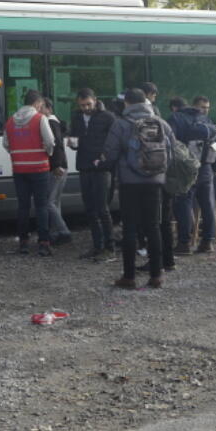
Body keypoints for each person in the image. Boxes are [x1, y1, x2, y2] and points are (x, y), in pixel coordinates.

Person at [101, 87, 171, 289]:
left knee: (130, 228)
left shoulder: (120, 124)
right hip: (155, 182)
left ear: (127, 103)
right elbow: (172, 152)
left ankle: (129, 277)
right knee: (153, 226)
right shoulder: (161, 123)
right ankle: (156, 275)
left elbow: (111, 153)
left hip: (129, 183)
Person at [3, 89, 56, 256]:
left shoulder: (11, 121)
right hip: (39, 168)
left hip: (19, 169)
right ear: (38, 103)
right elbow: (50, 141)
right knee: (41, 206)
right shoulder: (40, 119)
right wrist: (46, 152)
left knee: (23, 207)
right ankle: (43, 243)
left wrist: (18, 153)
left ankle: (23, 243)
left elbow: (6, 144)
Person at [69, 88, 117, 260]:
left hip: (101, 168)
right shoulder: (76, 117)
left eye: (88, 104)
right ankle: (97, 245)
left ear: (95, 100)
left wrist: (105, 159)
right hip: (84, 166)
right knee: (90, 209)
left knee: (102, 208)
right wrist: (72, 143)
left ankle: (110, 247)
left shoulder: (108, 117)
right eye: (82, 105)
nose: (86, 108)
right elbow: (74, 137)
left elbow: (114, 142)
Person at [169, 96, 216, 255]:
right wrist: (214, 168)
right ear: (194, 106)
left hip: (186, 169)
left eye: (207, 108)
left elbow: (171, 143)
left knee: (183, 205)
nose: (205, 110)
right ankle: (207, 242)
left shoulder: (176, 119)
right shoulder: (207, 121)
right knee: (208, 205)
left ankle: (184, 243)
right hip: (205, 168)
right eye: (203, 107)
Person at [43, 98, 72, 246]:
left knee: (48, 202)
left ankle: (64, 231)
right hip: (62, 166)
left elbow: (57, 146)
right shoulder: (55, 122)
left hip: (57, 168)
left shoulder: (50, 123)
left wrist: (57, 165)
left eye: (41, 107)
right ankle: (55, 234)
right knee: (55, 202)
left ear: (48, 108)